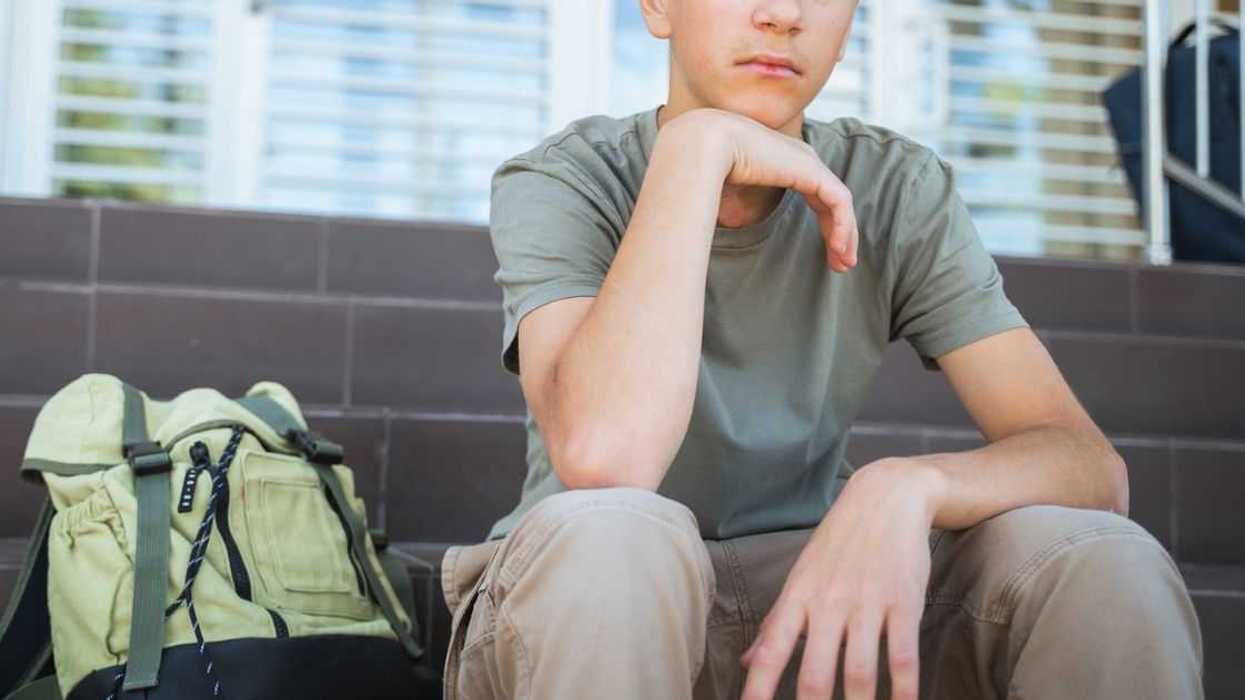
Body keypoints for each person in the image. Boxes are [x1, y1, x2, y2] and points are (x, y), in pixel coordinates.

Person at [439, 1, 1204, 698]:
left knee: (1101, 558)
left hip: (821, 595)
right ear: (656, 7)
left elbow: (1086, 464)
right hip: (590, 598)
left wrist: (906, 488)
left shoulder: (892, 184)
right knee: (615, 534)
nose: (785, 14)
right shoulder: (565, 177)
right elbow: (608, 457)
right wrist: (695, 152)